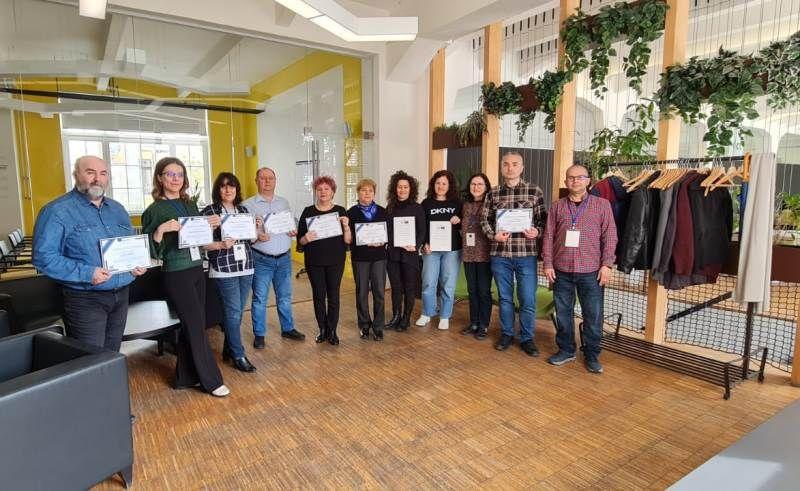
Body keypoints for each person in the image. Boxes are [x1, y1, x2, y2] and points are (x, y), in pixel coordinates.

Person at [32, 155, 146, 351]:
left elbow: (129, 246)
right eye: (90, 172)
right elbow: (43, 258)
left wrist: (137, 264)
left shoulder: (117, 209)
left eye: (103, 173)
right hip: (85, 299)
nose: (97, 179)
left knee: (112, 355)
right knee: (90, 359)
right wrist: (87, 273)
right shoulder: (56, 211)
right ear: (76, 175)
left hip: (121, 295)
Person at [141, 157, 229, 397]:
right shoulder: (154, 210)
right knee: (194, 325)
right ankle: (211, 380)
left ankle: (184, 377)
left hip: (197, 268)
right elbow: (150, 251)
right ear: (159, 178)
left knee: (194, 323)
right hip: (176, 272)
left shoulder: (189, 205)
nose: (175, 179)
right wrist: (160, 230)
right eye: (169, 174)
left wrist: (209, 227)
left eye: (179, 174)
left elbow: (197, 238)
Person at [542, 164, 617, 374]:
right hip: (561, 270)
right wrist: (547, 263)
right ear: (566, 181)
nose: (575, 181)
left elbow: (610, 236)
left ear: (588, 181)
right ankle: (566, 350)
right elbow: (548, 236)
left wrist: (607, 264)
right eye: (571, 177)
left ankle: (592, 354)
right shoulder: (557, 207)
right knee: (563, 314)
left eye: (580, 177)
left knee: (593, 315)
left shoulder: (602, 205)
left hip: (591, 271)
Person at [481, 150, 547, 356]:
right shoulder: (493, 193)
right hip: (500, 255)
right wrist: (493, 235)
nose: (510, 168)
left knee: (527, 298)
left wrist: (537, 232)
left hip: (526, 255)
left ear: (522, 167)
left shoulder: (534, 191)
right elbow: (484, 220)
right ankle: (507, 334)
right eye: (506, 164)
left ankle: (527, 338)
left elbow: (543, 221)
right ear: (501, 167)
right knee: (505, 298)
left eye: (515, 164)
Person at [242, 167, 305, 348]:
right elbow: (244, 234)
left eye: (271, 178)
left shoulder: (283, 202)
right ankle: (259, 334)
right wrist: (256, 235)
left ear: (275, 181)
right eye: (263, 178)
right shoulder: (247, 205)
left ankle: (288, 328)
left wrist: (293, 229)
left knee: (284, 296)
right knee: (260, 298)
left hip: (284, 258)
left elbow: (290, 224)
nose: (267, 181)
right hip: (261, 259)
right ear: (256, 181)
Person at [201, 172, 257, 373]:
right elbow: (201, 243)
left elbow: (251, 240)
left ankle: (229, 349)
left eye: (231, 186)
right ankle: (239, 354)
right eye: (223, 186)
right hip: (224, 268)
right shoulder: (210, 211)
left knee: (237, 312)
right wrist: (220, 244)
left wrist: (256, 228)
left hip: (246, 266)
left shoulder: (243, 210)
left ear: (236, 189)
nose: (228, 190)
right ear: (218, 190)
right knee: (233, 313)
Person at [297, 176, 351, 345]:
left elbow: (348, 240)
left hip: (336, 260)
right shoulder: (308, 212)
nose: (323, 192)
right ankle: (322, 329)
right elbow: (300, 241)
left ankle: (332, 331)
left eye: (327, 189)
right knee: (318, 296)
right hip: (314, 261)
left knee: (334, 296)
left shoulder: (341, 211)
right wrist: (305, 238)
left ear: (333, 192)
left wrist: (346, 226)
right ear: (315, 192)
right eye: (319, 189)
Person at [416, 169, 463, 331]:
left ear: (449, 186)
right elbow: (421, 227)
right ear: (433, 185)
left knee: (448, 284)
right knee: (428, 282)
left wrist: (459, 219)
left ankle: (444, 316)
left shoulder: (458, 203)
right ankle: (427, 313)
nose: (441, 186)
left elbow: (466, 224)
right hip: (431, 250)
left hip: (452, 250)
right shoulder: (426, 203)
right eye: (438, 183)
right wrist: (424, 243)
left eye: (444, 183)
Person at [347, 179, 388, 341]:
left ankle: (378, 327)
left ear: (374, 193)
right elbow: (348, 238)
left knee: (379, 292)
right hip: (360, 258)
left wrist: (384, 241)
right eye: (363, 190)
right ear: (358, 193)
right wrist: (363, 241)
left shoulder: (382, 211)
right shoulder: (351, 213)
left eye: (370, 190)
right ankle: (364, 325)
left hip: (379, 257)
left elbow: (388, 233)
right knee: (362, 292)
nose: (367, 193)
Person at [385, 171, 425, 332]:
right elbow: (387, 231)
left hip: (409, 254)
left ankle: (406, 318)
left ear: (411, 189)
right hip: (393, 254)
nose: (402, 190)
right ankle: (396, 317)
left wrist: (415, 244)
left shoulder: (417, 208)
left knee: (409, 287)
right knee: (396, 287)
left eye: (405, 187)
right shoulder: (390, 208)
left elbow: (422, 231)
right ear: (395, 189)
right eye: (399, 187)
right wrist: (394, 242)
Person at [460, 173, 493, 340]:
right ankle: (473, 322)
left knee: (484, 291)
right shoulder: (465, 205)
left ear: (486, 187)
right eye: (473, 184)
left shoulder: (491, 204)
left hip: (485, 254)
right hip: (468, 254)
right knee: (472, 290)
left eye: (480, 184)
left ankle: (483, 325)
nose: (476, 187)